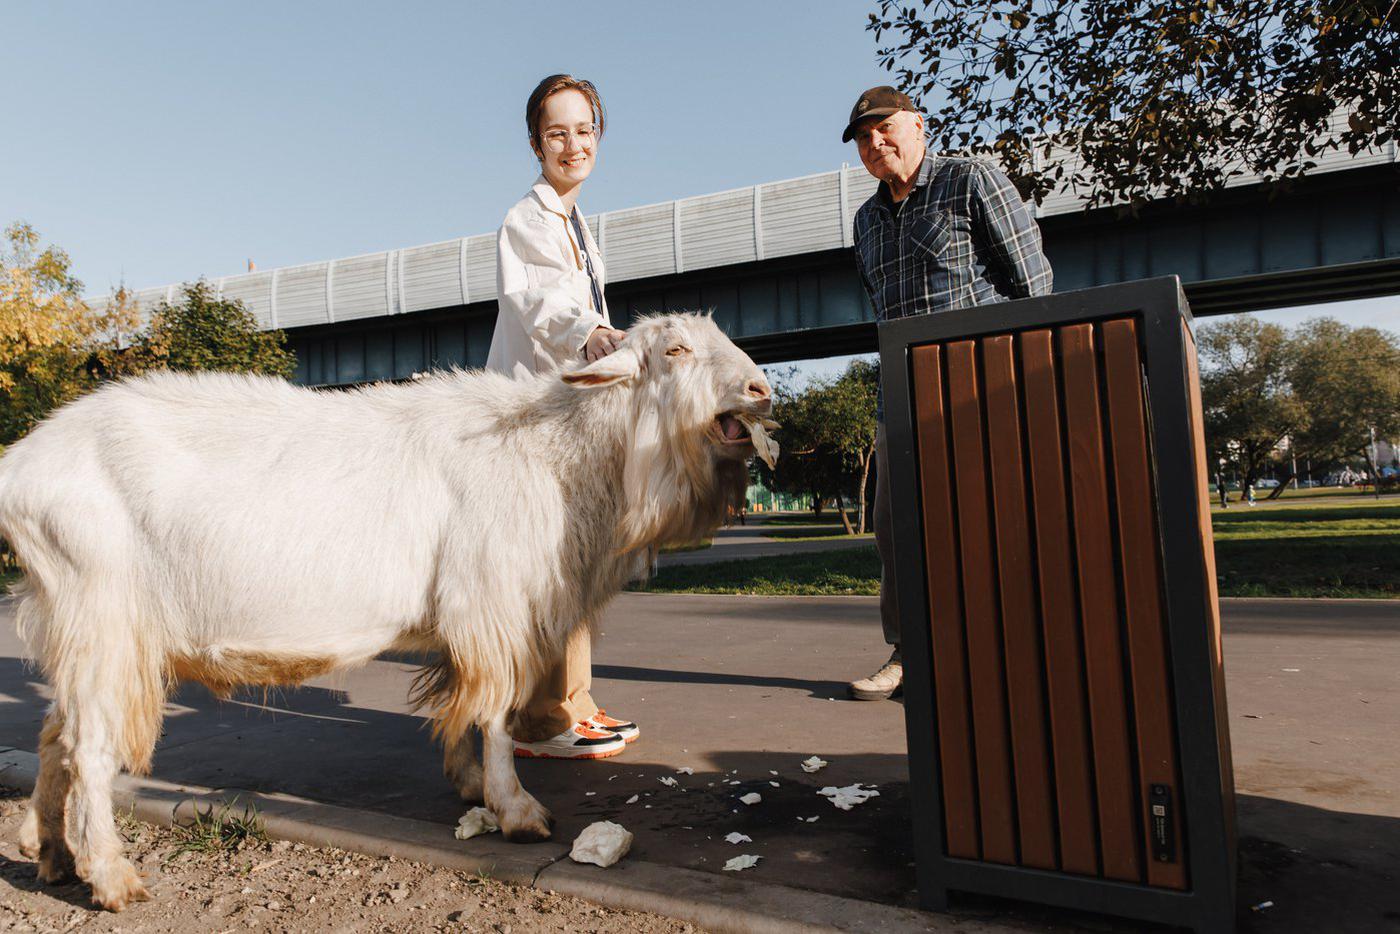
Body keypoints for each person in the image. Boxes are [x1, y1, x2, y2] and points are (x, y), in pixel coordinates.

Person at [842, 86, 1053, 701]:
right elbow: (879, 312)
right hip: (902, 397)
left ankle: (1008, 655)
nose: (874, 142)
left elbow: (1033, 286)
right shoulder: (865, 220)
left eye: (884, 127)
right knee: (895, 529)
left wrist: (1029, 380)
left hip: (980, 387)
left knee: (991, 524)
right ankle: (911, 654)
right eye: (862, 136)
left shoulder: (971, 180)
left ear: (918, 125)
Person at [486, 74, 638, 758]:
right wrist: (593, 334)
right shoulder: (528, 219)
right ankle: (539, 723)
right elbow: (541, 305)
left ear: (598, 137)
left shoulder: (576, 223)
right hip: (532, 427)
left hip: (567, 423)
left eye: (584, 130)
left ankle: (574, 705)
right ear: (534, 144)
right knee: (548, 573)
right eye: (557, 133)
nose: (572, 144)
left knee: (575, 566)